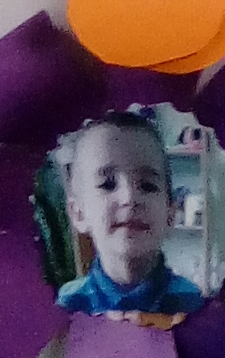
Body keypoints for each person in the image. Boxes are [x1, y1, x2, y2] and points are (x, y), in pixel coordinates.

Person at [52, 110, 203, 317]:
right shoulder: (68, 307)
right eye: (107, 184)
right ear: (78, 213)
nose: (129, 198)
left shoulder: (193, 304)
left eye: (148, 186)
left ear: (171, 214)